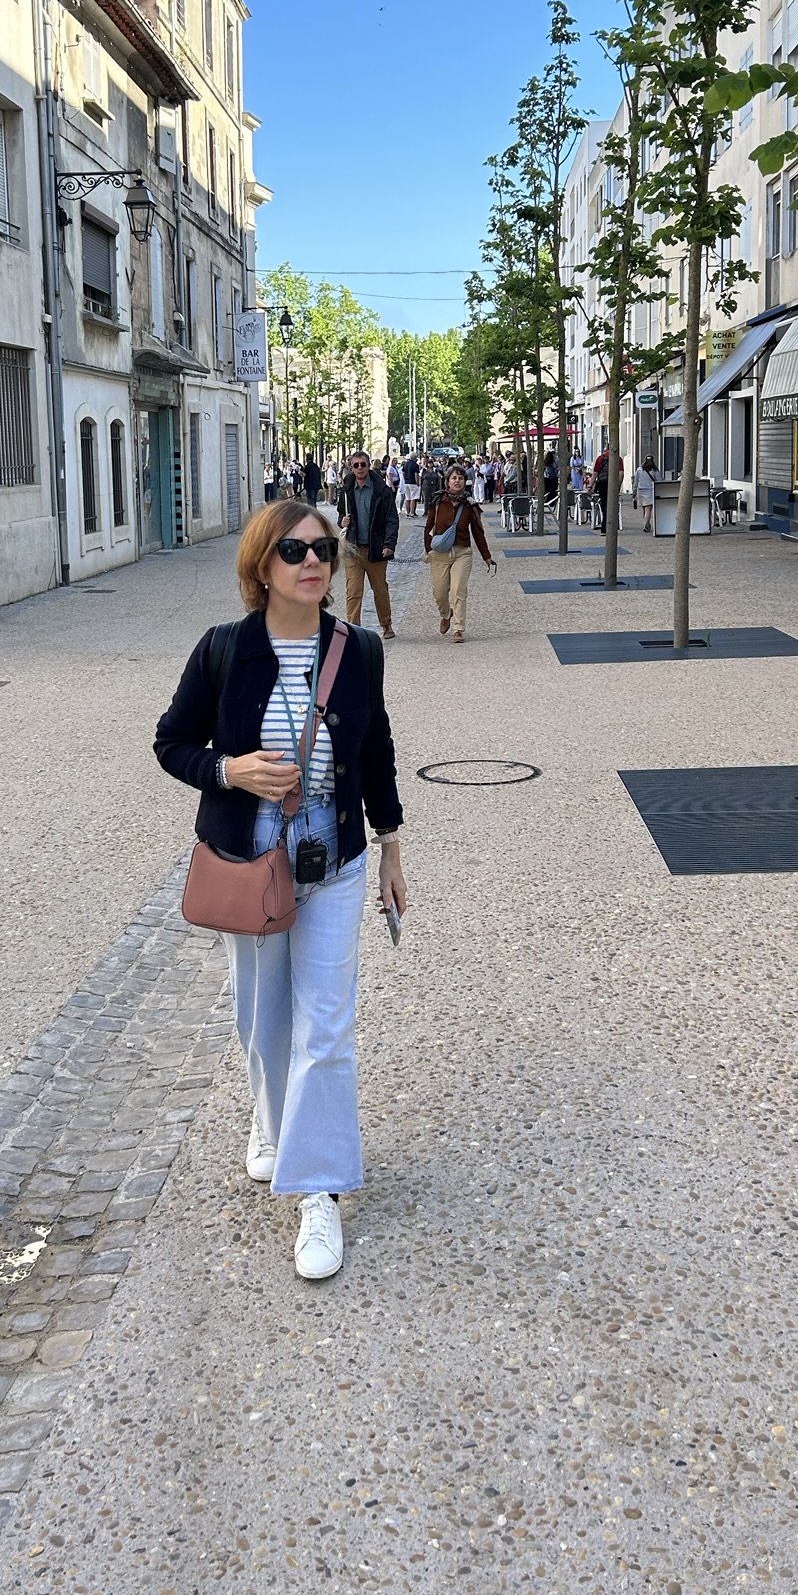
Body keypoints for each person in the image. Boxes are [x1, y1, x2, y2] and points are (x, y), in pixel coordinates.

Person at [154, 499, 407, 1281]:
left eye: (324, 550)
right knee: (262, 1021)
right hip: (252, 859)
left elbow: (378, 750)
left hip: (335, 858)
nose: (313, 563)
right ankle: (269, 1124)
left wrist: (391, 848)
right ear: (262, 565)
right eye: (294, 551)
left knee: (325, 1027)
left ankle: (318, 1192)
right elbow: (171, 742)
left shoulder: (358, 650)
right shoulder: (224, 649)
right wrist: (229, 770)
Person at [423, 462, 497, 642]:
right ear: (447, 481)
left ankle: (458, 628)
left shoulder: (470, 505)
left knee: (458, 590)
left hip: (462, 552)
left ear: (465, 481)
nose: (457, 481)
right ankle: (445, 614)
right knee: (439, 592)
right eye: (454, 478)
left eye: (461, 478)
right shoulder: (438, 501)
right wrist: (429, 550)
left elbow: (478, 532)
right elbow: (428, 528)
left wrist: (486, 556)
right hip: (439, 553)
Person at [337, 449, 398, 640]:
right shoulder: (346, 490)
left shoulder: (382, 491)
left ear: (369, 465)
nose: (359, 468)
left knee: (380, 590)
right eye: (355, 465)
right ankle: (353, 629)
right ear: (351, 467)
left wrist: (389, 544)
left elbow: (392, 519)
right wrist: (342, 521)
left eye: (363, 464)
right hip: (353, 549)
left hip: (376, 549)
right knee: (353, 591)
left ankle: (386, 624)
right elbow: (341, 514)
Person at [592, 447, 625, 532]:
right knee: (612, 504)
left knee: (604, 504)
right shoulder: (618, 459)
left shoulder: (600, 458)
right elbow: (621, 474)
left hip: (602, 484)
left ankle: (605, 526)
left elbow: (595, 473)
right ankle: (610, 525)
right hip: (613, 484)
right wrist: (618, 486)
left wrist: (590, 485)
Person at [635, 454, 657, 533]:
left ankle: (647, 523)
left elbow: (635, 481)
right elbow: (660, 480)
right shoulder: (654, 470)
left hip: (641, 491)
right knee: (648, 509)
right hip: (650, 491)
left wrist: (634, 490)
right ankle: (645, 524)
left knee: (644, 509)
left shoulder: (639, 470)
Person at [401, 450, 420, 516]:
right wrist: (417, 482)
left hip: (406, 482)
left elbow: (403, 473)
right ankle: (412, 512)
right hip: (413, 482)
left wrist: (405, 479)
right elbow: (416, 475)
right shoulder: (415, 465)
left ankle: (407, 512)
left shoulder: (405, 464)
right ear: (415, 457)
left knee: (407, 498)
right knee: (413, 498)